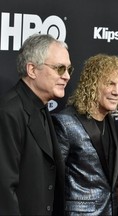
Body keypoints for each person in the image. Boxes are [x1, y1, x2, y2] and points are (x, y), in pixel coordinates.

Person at [0, 34, 72, 215]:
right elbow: (4, 189)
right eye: (59, 68)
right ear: (32, 70)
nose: (66, 77)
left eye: (69, 69)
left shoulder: (41, 107)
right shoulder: (9, 112)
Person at [52, 54, 118, 215]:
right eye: (110, 84)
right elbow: (53, 180)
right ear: (92, 85)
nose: (117, 92)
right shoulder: (65, 123)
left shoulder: (110, 121)